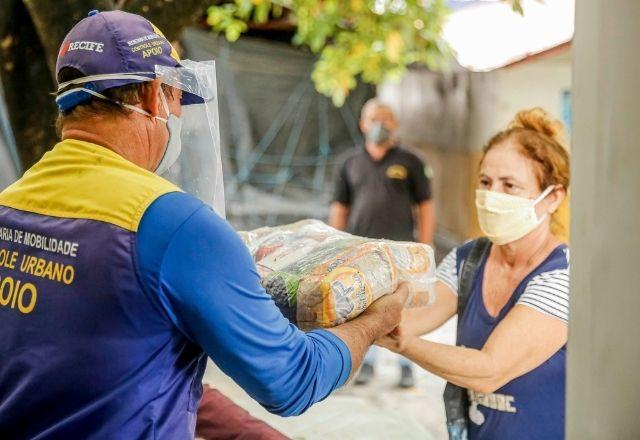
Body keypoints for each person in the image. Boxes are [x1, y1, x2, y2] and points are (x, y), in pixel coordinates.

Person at [0, 11, 407, 439]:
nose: (177, 118)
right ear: (154, 97)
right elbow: (291, 380)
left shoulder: (10, 205)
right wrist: (376, 321)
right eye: (177, 101)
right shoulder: (174, 225)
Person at [376, 108, 570, 439]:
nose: (493, 196)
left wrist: (402, 344)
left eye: (510, 185)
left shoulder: (563, 276)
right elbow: (411, 317)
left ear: (552, 198)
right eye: (485, 182)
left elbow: (489, 370)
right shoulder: (469, 259)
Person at [329, 98, 436, 388]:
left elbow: (426, 205)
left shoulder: (411, 161)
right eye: (375, 118)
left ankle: (406, 364)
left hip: (401, 251)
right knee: (367, 308)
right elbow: (340, 206)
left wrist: (424, 247)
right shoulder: (350, 163)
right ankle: (368, 363)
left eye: (387, 118)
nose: (381, 124)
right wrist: (335, 245)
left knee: (405, 307)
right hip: (361, 251)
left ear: (396, 124)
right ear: (363, 124)